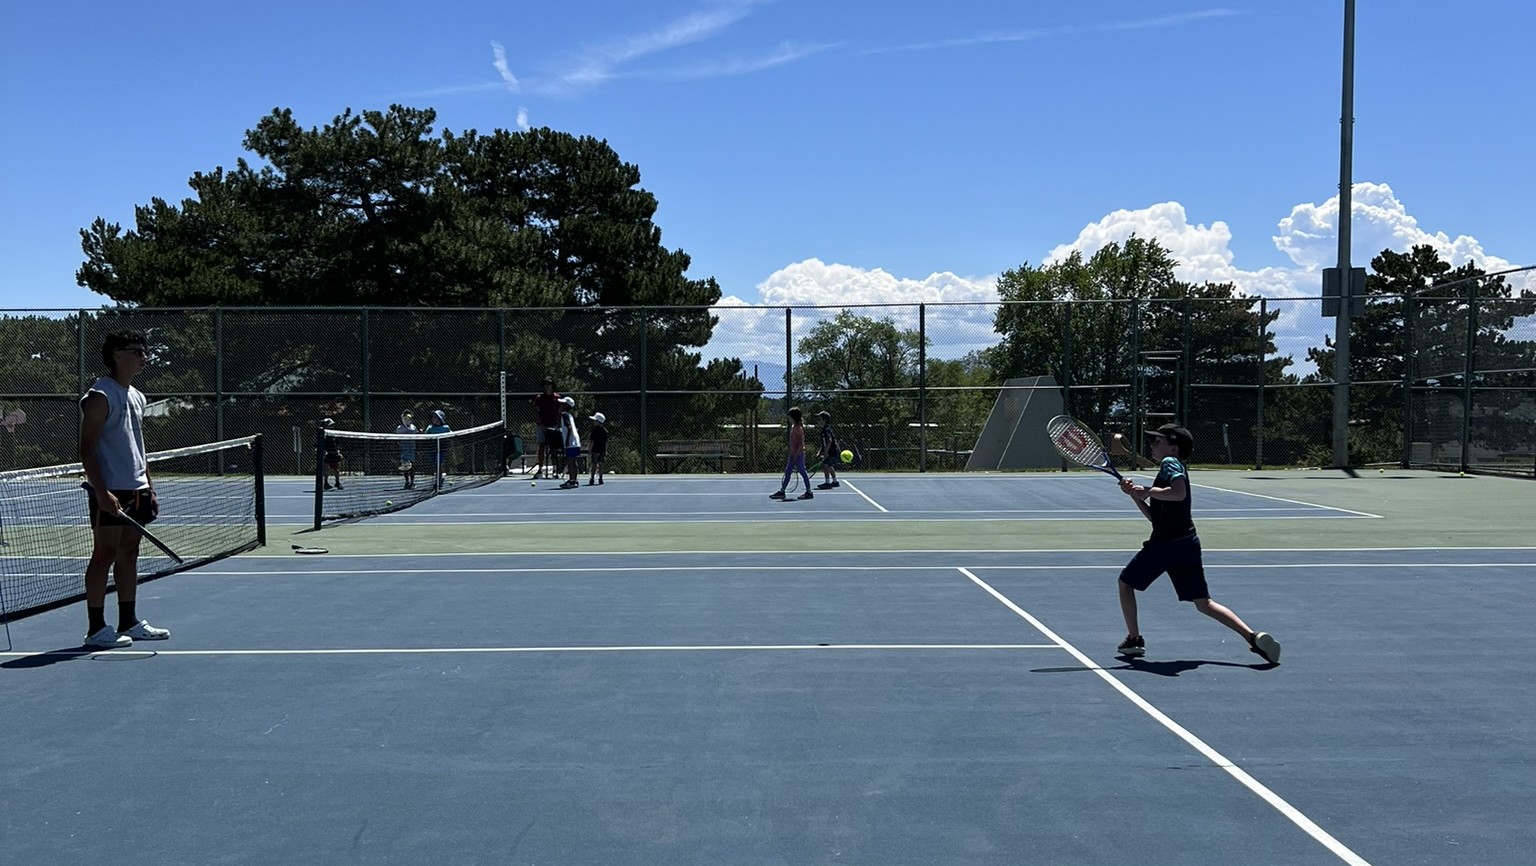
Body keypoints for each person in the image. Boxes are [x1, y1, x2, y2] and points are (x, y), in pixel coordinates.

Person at [1115, 423, 1280, 664]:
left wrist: (1147, 491)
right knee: (1204, 604)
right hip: (1187, 543)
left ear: (1174, 447)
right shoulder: (1170, 468)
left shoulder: (1170, 463)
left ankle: (1134, 638)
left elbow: (1178, 492)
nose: (1152, 445)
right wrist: (1136, 496)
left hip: (1165, 545)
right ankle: (1253, 637)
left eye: (1158, 441)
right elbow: (1156, 517)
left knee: (1125, 583)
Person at [78, 329, 170, 648]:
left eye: (146, 352)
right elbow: (87, 448)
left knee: (129, 554)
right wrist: (102, 492)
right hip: (111, 489)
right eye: (137, 351)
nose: (145, 357)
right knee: (104, 555)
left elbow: (138, 449)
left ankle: (128, 621)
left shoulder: (137, 396)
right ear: (117, 355)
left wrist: (150, 487)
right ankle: (96, 628)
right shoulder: (99, 396)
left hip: (136, 487)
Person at [769, 407, 813, 501]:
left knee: (802, 471)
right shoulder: (794, 427)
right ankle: (782, 491)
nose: (789, 419)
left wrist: (796, 455)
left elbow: (801, 444)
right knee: (788, 471)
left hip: (798, 455)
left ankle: (809, 492)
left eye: (790, 417)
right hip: (793, 454)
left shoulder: (798, 429)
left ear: (794, 418)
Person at [531, 377, 563, 480]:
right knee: (541, 447)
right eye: (545, 384)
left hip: (553, 426)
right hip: (542, 426)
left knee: (554, 449)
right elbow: (537, 412)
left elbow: (560, 411)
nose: (547, 386)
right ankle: (540, 470)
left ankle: (555, 470)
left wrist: (557, 425)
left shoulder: (557, 398)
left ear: (552, 386)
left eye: (549, 384)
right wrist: (541, 423)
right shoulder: (539, 398)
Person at [558, 397, 582, 489]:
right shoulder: (569, 414)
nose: (560, 405)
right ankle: (573, 480)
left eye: (562, 404)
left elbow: (569, 428)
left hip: (571, 442)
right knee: (572, 461)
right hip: (575, 441)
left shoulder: (564, 414)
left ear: (566, 406)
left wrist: (567, 440)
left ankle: (572, 480)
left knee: (570, 461)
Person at [425, 409, 451, 488]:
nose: (433, 419)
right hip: (432, 449)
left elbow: (451, 435)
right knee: (435, 464)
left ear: (440, 419)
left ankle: (438, 480)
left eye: (435, 417)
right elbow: (425, 435)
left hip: (441, 449)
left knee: (438, 463)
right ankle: (439, 477)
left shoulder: (445, 428)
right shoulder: (430, 427)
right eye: (433, 417)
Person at [814, 410, 840, 490]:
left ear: (825, 420)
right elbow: (824, 444)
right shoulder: (823, 430)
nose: (817, 421)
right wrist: (819, 452)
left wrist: (826, 452)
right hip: (830, 451)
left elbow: (829, 440)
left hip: (832, 452)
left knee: (825, 466)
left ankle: (827, 483)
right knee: (829, 466)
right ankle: (835, 482)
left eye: (819, 419)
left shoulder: (826, 430)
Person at [396, 410, 418, 490]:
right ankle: (406, 482)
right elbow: (397, 439)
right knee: (405, 467)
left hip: (412, 449)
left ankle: (412, 482)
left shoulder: (413, 427)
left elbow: (417, 436)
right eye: (405, 419)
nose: (407, 420)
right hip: (404, 450)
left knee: (412, 466)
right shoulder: (399, 428)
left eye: (408, 419)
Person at [320, 417, 343, 490]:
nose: (332, 426)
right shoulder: (322, 435)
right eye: (330, 425)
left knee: (336, 469)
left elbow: (337, 444)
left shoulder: (334, 434)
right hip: (327, 454)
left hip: (334, 453)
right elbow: (320, 445)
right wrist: (324, 452)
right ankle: (326, 483)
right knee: (326, 468)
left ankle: (337, 482)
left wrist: (338, 452)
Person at [587, 411, 609, 486]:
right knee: (601, 464)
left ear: (599, 422)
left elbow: (591, 441)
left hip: (595, 450)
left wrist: (589, 449)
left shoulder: (594, 431)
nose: (593, 422)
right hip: (602, 450)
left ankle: (592, 478)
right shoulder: (605, 431)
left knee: (594, 464)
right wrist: (606, 450)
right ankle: (600, 478)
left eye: (595, 420)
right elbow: (606, 442)